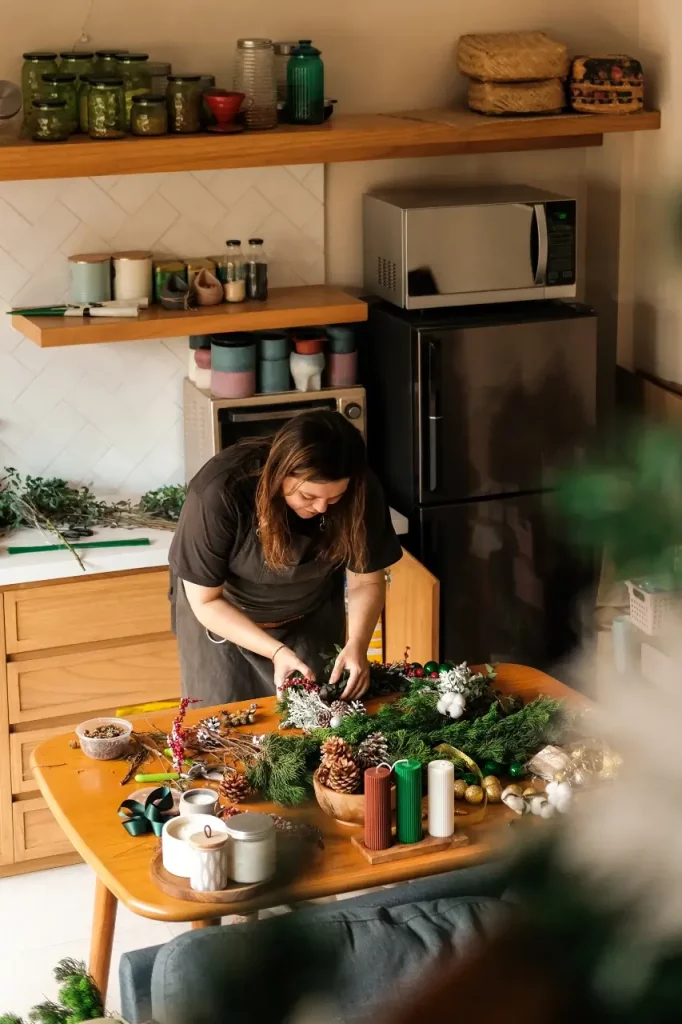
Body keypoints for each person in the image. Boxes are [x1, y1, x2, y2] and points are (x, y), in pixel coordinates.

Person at [169, 410, 402, 707]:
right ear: (280, 473)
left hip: (310, 618)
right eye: (308, 497)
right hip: (223, 623)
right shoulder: (219, 491)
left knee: (316, 723)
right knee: (225, 729)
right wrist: (276, 652)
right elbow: (206, 601)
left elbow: (365, 581)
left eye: (334, 499)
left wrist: (357, 645)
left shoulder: (361, 490)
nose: (321, 508)